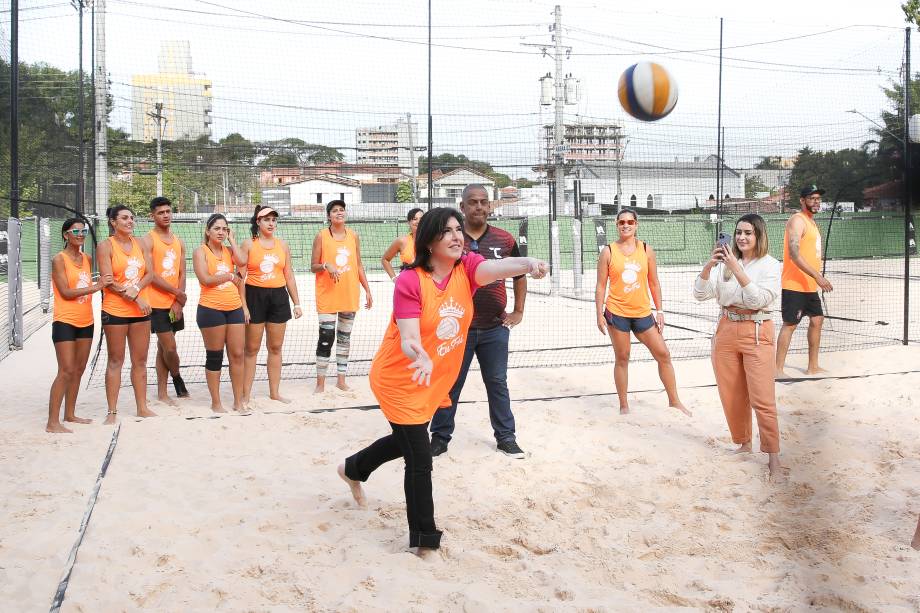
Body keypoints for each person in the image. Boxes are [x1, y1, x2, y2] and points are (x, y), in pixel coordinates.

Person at [337, 207, 548, 550]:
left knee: (408, 439)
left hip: (433, 379)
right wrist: (419, 354)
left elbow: (496, 269)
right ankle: (424, 541)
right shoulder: (410, 280)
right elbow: (408, 336)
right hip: (399, 377)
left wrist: (528, 263)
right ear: (430, 241)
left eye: (457, 230)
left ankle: (352, 468)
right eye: (446, 231)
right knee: (419, 459)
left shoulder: (467, 267)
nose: (456, 236)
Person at [429, 185, 527, 459]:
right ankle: (440, 437)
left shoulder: (504, 239)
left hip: (495, 327)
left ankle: (506, 438)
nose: (479, 207)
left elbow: (519, 274)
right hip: (457, 330)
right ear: (462, 207)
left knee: (497, 383)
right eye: (473, 202)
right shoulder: (451, 241)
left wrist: (518, 311)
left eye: (484, 202)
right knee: (450, 384)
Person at [693, 214, 784, 480]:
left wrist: (737, 268)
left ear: (759, 236)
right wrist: (709, 266)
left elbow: (758, 300)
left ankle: (774, 458)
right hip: (726, 328)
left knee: (762, 398)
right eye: (738, 233)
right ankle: (744, 443)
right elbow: (700, 294)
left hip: (756, 330)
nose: (741, 238)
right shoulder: (725, 265)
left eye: (748, 233)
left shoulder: (770, 265)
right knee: (731, 393)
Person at [594, 208, 689, 416]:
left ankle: (674, 401)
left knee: (663, 354)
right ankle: (624, 405)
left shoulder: (646, 249)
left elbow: (654, 283)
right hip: (617, 311)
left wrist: (660, 310)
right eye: (621, 222)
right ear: (616, 225)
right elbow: (601, 285)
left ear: (636, 224)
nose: (625, 225)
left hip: (642, 313)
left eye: (629, 221)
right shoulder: (608, 251)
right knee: (622, 357)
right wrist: (599, 313)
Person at [97, 204, 157, 425]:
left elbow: (150, 273)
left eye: (132, 217)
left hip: (141, 310)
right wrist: (134, 296)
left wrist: (137, 290)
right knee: (115, 360)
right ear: (113, 222)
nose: (130, 221)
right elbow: (108, 280)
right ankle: (112, 412)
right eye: (124, 218)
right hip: (116, 310)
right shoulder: (106, 246)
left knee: (140, 361)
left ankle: (142, 407)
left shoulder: (140, 243)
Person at [46, 218, 106, 433]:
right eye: (76, 231)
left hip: (86, 321)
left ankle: (69, 414)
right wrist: (96, 287)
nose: (81, 234)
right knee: (65, 370)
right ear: (65, 235)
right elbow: (66, 292)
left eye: (83, 231)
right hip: (64, 320)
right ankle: (52, 422)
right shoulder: (59, 259)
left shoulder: (87, 258)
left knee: (79, 370)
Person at [240, 205, 302, 406]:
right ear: (258, 222)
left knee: (275, 347)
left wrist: (297, 303)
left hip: (278, 296)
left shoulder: (282, 245)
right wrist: (244, 306)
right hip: (254, 295)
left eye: (274, 220)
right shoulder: (249, 244)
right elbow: (240, 278)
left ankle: (274, 393)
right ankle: (245, 395)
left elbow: (289, 275)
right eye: (266, 219)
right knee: (251, 349)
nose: (271, 223)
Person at [310, 199, 372, 393]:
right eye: (335, 210)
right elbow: (312, 266)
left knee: (344, 338)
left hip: (349, 293)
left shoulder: (353, 235)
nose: (339, 212)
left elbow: (359, 265)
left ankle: (341, 380)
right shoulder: (321, 236)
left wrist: (367, 290)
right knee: (326, 337)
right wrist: (325, 265)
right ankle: (320, 382)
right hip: (327, 295)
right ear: (329, 216)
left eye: (342, 210)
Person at [775, 184, 834, 377]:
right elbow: (794, 254)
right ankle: (777, 370)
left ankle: (813, 367)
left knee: (817, 320)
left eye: (818, 198)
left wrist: (815, 278)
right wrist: (818, 276)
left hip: (809, 285)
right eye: (812, 198)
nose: (816, 202)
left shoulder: (812, 222)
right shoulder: (797, 220)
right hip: (794, 283)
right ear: (802, 201)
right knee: (790, 324)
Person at [193, 214, 247, 413]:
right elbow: (206, 279)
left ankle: (238, 401)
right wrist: (229, 276)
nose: (221, 232)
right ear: (208, 231)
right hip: (211, 309)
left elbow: (242, 260)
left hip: (234, 308)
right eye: (217, 228)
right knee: (215, 356)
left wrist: (232, 240)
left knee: (238, 354)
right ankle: (216, 402)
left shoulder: (229, 251)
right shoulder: (201, 251)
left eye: (225, 229)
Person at [141, 196, 189, 405]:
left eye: (168, 211)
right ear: (152, 216)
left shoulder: (179, 241)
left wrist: (178, 301)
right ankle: (177, 378)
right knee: (169, 347)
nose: (166, 215)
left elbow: (182, 273)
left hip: (173, 303)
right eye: (161, 212)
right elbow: (151, 274)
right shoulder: (148, 240)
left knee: (163, 348)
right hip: (156, 303)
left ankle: (162, 392)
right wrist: (177, 293)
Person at [381, 207, 424, 281]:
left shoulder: (432, 241)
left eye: (421, 219)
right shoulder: (402, 241)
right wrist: (394, 278)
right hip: (407, 284)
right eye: (414, 219)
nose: (418, 221)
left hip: (426, 285)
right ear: (409, 222)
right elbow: (385, 260)